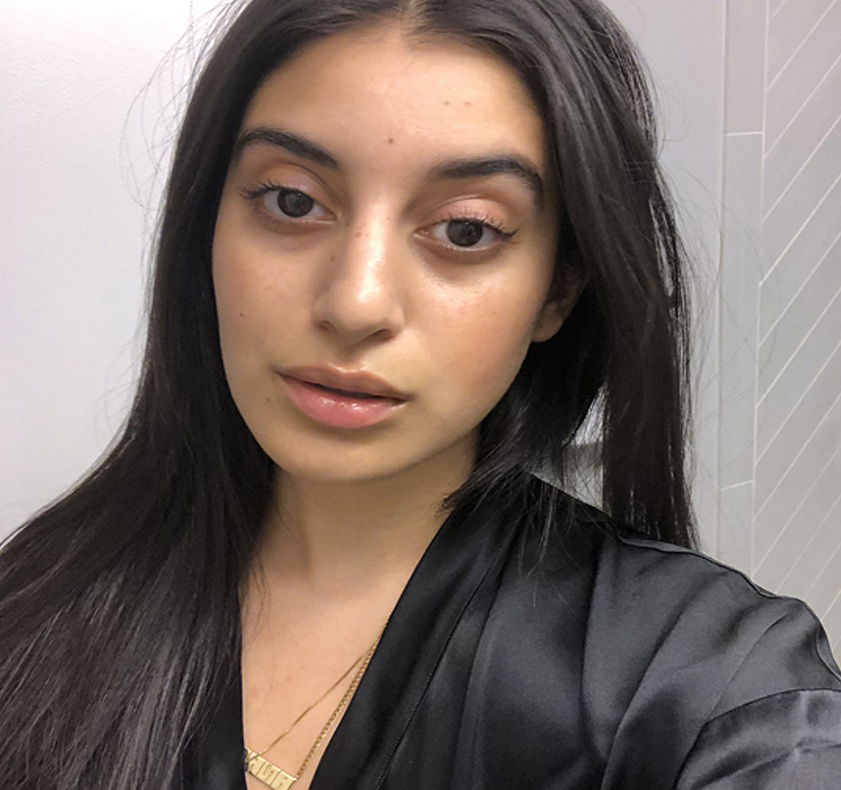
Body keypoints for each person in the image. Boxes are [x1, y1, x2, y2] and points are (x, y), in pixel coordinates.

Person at [2, 0, 840, 788]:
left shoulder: (712, 683)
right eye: (292, 201)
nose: (354, 302)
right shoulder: (44, 593)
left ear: (556, 289)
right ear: (205, 228)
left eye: (465, 230)